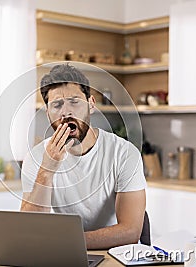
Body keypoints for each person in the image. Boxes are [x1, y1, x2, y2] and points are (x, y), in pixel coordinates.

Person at [20, 63, 147, 249]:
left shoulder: (125, 153)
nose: (66, 112)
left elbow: (131, 231)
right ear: (47, 113)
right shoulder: (36, 157)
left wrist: (69, 242)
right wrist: (46, 171)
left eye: (74, 102)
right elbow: (28, 228)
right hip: (62, 256)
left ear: (91, 104)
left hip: (112, 254)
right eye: (57, 105)